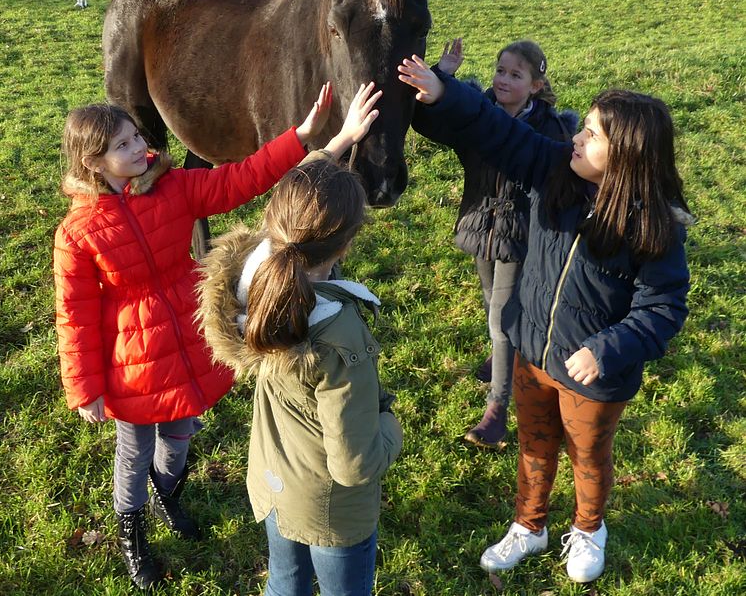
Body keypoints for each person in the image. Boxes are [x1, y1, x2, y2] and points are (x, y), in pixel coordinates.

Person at [54, 82, 382, 591]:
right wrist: (85, 387)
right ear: (93, 162)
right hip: (132, 361)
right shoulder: (78, 233)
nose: (140, 147)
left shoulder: (174, 186)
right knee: (134, 451)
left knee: (180, 439)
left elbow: (243, 179)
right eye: (123, 145)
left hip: (188, 341)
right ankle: (132, 531)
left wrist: (302, 137)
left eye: (137, 136)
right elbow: (73, 313)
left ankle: (169, 495)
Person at [398, 55, 691, 583]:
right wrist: (444, 90)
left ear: (625, 156)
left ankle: (587, 528)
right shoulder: (555, 167)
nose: (577, 137)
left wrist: (606, 351)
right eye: (582, 128)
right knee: (534, 446)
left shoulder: (654, 228)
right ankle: (529, 527)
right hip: (533, 352)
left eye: (593, 134)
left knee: (587, 456)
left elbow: (664, 307)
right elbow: (498, 130)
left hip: (596, 377)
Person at [197, 158, 402, 596]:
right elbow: (354, 465)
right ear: (345, 247)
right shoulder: (339, 337)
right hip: (329, 508)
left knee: (284, 583)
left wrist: (339, 142)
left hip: (273, 482)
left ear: (273, 219)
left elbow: (297, 207)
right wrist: (391, 428)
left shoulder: (248, 278)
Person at [413, 38, 576, 448]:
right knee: (492, 304)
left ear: (536, 85)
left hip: (520, 232)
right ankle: (500, 352)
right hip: (482, 223)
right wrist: (444, 75)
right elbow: (431, 122)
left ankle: (497, 410)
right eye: (500, 71)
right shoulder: (478, 107)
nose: (503, 80)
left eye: (515, 75)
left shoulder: (549, 128)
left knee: (502, 319)